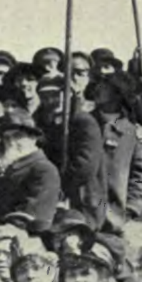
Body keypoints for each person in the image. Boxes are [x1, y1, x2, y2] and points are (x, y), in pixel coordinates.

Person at [36, 76, 106, 231]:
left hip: (81, 196)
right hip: (53, 197)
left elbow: (86, 165)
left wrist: (60, 185)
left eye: (58, 94)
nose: (53, 100)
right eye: (47, 96)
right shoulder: (43, 125)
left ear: (70, 95)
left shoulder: (84, 122)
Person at [86, 72, 142, 233]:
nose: (98, 89)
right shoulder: (81, 123)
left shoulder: (131, 132)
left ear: (118, 94)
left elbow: (139, 176)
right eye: (98, 84)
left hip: (115, 219)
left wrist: (133, 207)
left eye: (105, 86)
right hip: (82, 215)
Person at [0, 109, 61, 233]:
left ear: (33, 138)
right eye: (7, 138)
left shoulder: (43, 170)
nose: (11, 143)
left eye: (18, 136)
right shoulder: (11, 167)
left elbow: (34, 220)